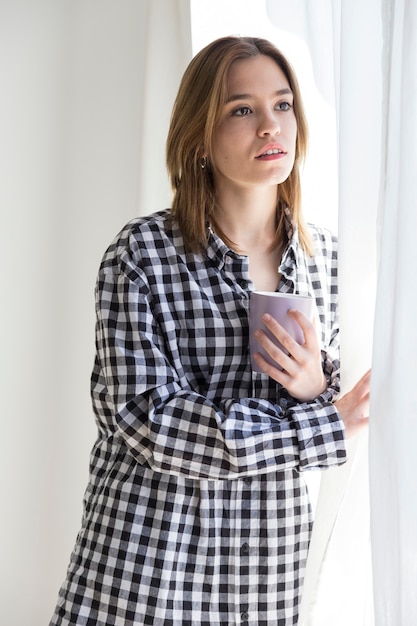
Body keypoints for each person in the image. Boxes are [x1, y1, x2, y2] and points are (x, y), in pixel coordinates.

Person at [49, 36, 370, 626]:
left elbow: (345, 406)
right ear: (199, 134)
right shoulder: (140, 254)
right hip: (147, 567)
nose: (270, 126)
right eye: (242, 110)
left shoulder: (329, 261)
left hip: (265, 573)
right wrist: (314, 427)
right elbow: (149, 421)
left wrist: (311, 386)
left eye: (283, 105)